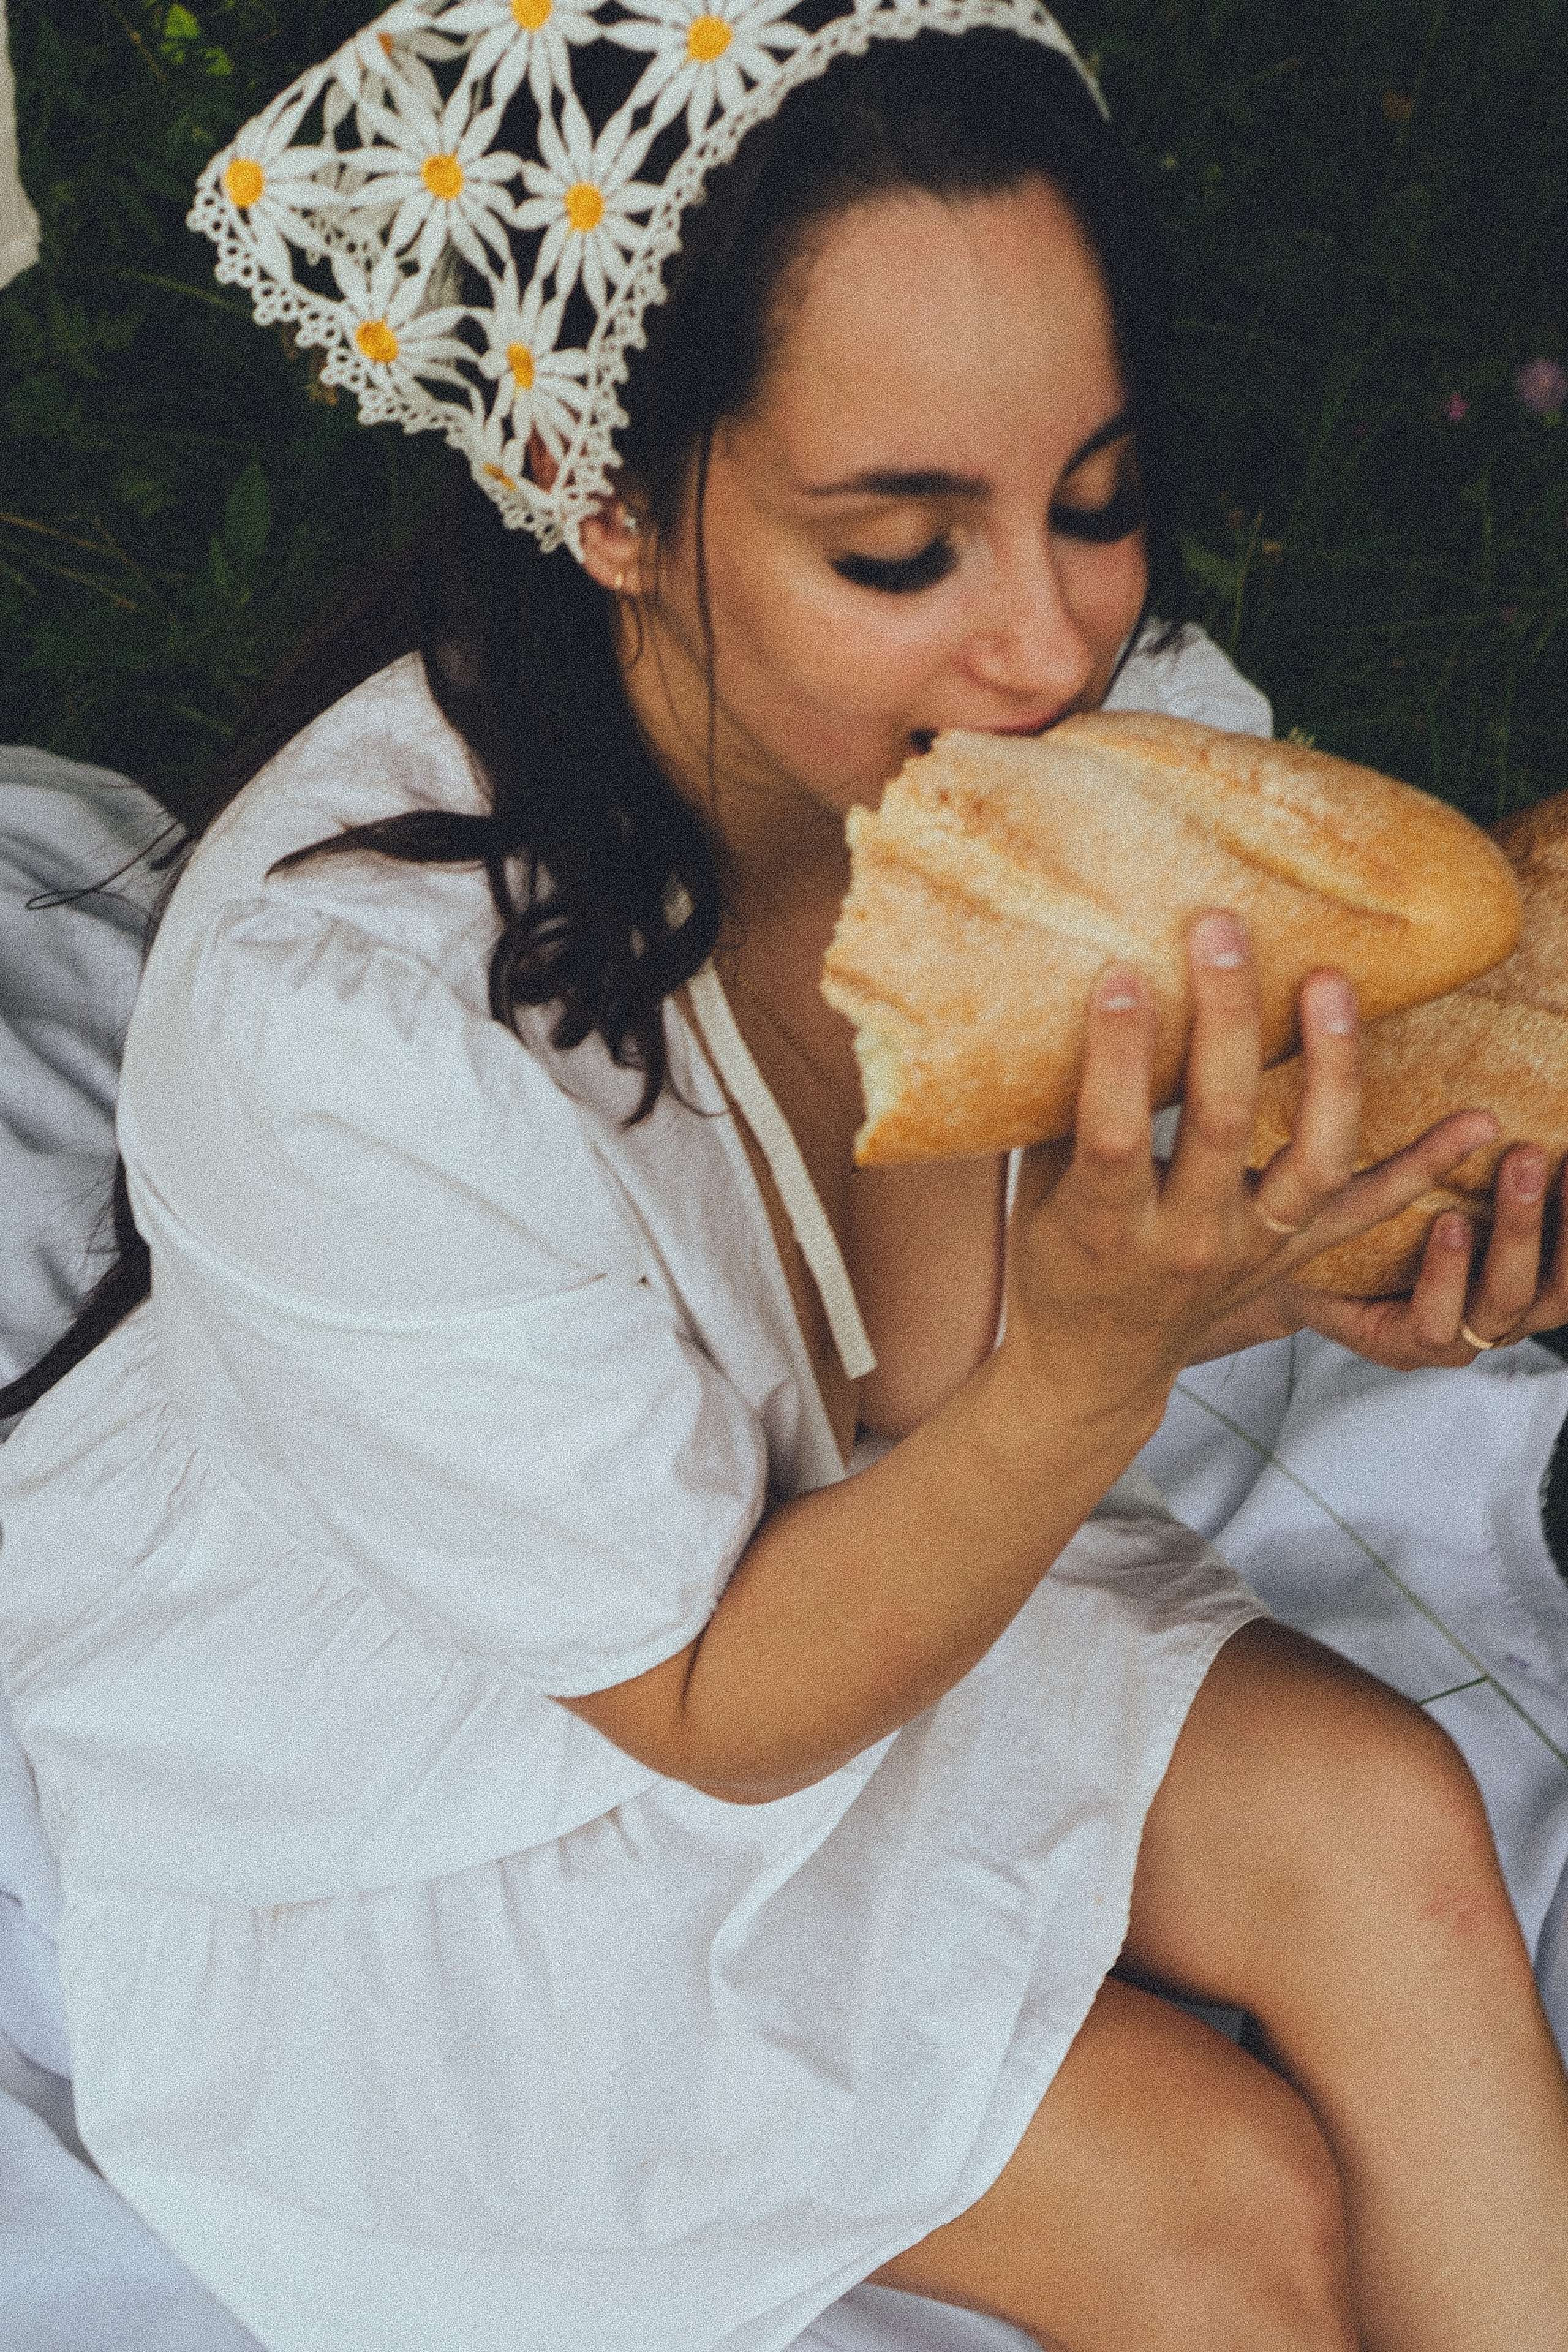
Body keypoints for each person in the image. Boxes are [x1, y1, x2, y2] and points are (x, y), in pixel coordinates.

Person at [2, 10, 1567, 2348]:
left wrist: (1324, 1260)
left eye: (1101, 495)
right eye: (900, 545)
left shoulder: (1068, 791)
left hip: (877, 1543)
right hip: (486, 1783)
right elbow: (715, 1701)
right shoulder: (345, 1038)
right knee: (1237, 2223)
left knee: (1403, 1842)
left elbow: (931, 1364)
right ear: (614, 502)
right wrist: (1105, 1367)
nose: (1046, 640)